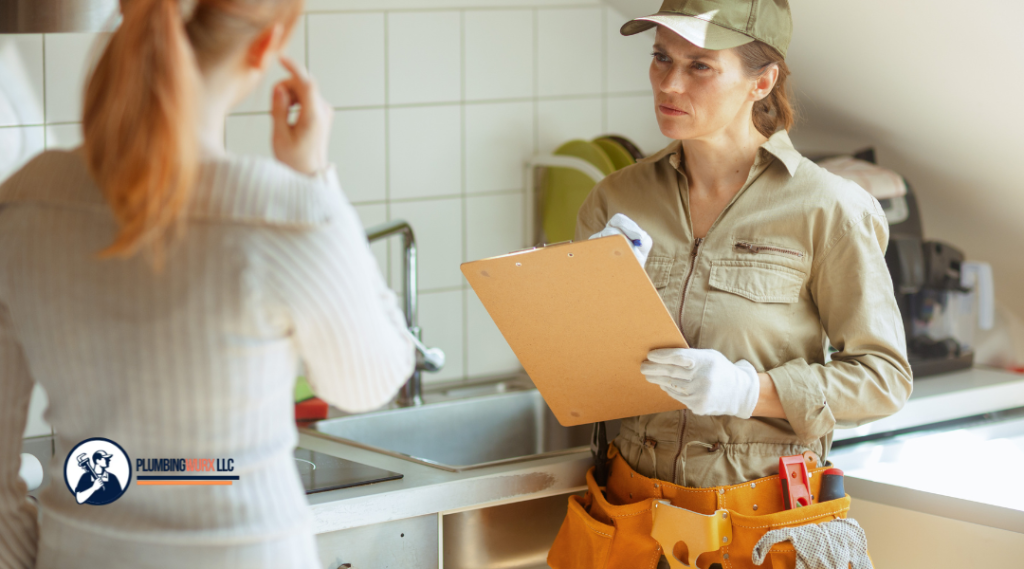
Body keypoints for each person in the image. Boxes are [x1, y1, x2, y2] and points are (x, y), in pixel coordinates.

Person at [0, 0, 415, 567]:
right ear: (268, 44)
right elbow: (370, 381)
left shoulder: (21, 204)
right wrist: (316, 180)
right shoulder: (287, 214)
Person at [549, 1, 911, 568]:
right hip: (628, 525)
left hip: (759, 533)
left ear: (761, 82)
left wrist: (750, 391)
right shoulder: (614, 200)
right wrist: (584, 304)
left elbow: (883, 380)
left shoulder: (828, 208)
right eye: (660, 58)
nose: (668, 83)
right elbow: (581, 377)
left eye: (699, 66)